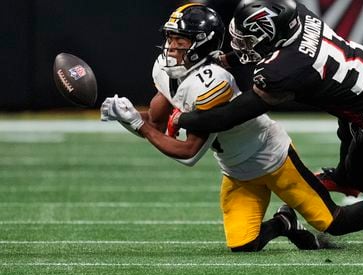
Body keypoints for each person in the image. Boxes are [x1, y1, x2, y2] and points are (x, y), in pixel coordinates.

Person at [170, 0, 363, 249]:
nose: (241, 45)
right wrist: (231, 58)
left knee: (358, 180)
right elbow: (276, 47)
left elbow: (230, 115)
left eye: (247, 40)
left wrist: (181, 117)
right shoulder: (298, 14)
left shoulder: (283, 70)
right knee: (353, 175)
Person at [101, 3, 336, 252]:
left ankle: (360, 195)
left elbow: (188, 152)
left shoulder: (213, 82)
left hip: (271, 157)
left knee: (329, 221)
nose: (171, 46)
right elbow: (155, 125)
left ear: (202, 43)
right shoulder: (164, 68)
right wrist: (127, 117)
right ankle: (285, 223)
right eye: (170, 37)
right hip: (236, 169)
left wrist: (139, 125)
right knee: (243, 244)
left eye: (180, 40)